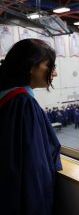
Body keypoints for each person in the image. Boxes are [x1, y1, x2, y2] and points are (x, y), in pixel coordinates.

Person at [0, 39, 62, 215]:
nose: (54, 73)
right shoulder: (23, 105)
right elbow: (35, 169)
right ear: (31, 67)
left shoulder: (7, 99)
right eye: (50, 65)